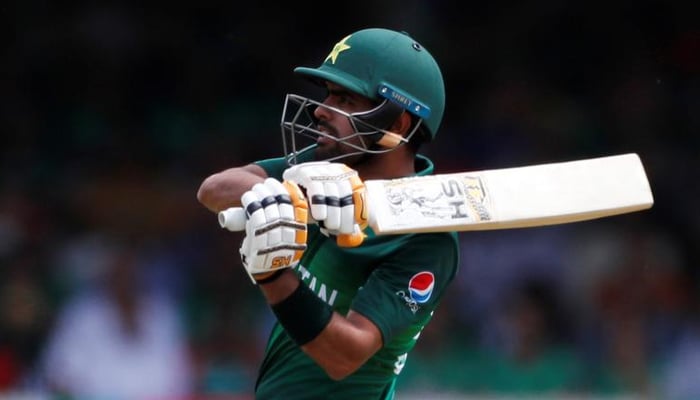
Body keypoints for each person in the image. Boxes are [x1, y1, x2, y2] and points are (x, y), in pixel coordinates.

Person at [197, 27, 459, 399]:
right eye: (328, 96)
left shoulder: (427, 237)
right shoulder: (327, 165)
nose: (321, 110)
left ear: (398, 125)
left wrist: (273, 275)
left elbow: (344, 355)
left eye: (346, 100)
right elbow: (213, 190)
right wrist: (293, 193)